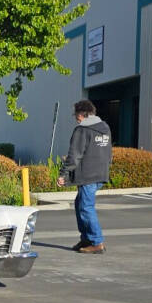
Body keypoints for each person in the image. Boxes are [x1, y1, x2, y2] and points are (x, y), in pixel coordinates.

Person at [58, 100, 112, 254]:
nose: (75, 118)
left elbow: (74, 156)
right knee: (79, 203)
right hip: (101, 173)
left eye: (76, 115)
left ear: (82, 114)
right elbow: (109, 152)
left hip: (88, 175)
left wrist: (64, 174)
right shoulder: (105, 128)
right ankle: (86, 238)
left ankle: (97, 242)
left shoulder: (82, 130)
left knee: (86, 207)